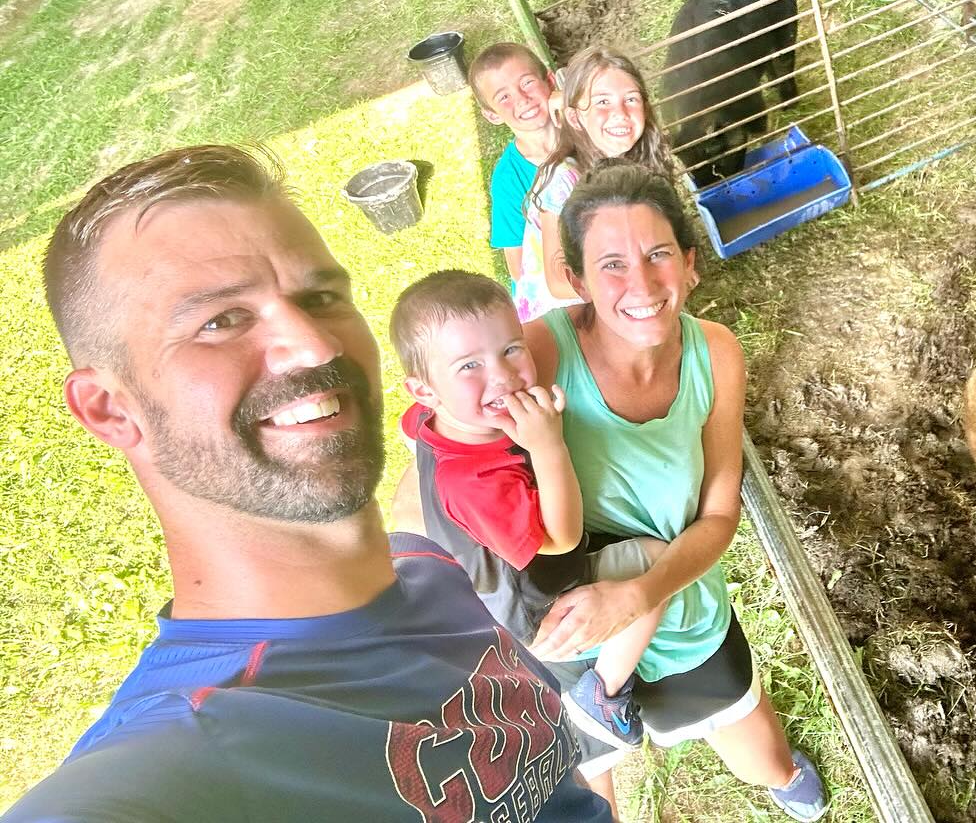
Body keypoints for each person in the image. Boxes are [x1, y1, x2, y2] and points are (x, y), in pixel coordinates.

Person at [4, 145, 609, 823]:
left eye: (321, 297)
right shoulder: (184, 755)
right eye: (220, 321)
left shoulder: (434, 573)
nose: (318, 345)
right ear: (111, 409)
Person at [528, 160, 829, 821]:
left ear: (689, 263)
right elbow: (449, 450)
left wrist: (638, 595)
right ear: (575, 280)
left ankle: (779, 776)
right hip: (570, 621)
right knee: (585, 782)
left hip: (676, 594)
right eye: (611, 263)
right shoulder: (540, 353)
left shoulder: (715, 353)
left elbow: (720, 515)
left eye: (658, 253)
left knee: (763, 755)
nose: (640, 282)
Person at [388, 269, 665, 748]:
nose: (502, 375)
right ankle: (604, 696)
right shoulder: (476, 481)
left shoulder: (442, 420)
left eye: (511, 348)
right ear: (425, 391)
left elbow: (410, 429)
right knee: (657, 566)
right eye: (468, 366)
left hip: (510, 577)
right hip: (539, 609)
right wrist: (548, 444)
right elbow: (562, 537)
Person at [513, 46, 671, 323]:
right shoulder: (564, 181)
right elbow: (559, 281)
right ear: (574, 117)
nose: (620, 113)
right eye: (602, 102)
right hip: (561, 319)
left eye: (631, 99)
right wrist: (634, 290)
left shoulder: (637, 164)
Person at [470, 42, 558, 284]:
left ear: (550, 82)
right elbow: (520, 269)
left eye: (527, 83)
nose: (522, 99)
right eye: (504, 97)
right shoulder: (508, 179)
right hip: (560, 285)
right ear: (491, 114)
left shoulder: (587, 132)